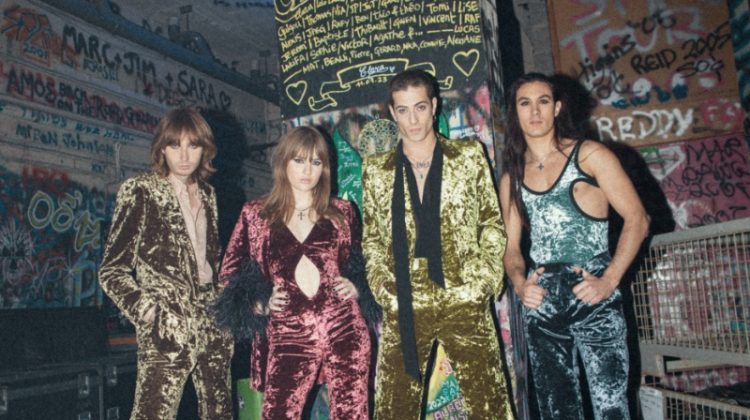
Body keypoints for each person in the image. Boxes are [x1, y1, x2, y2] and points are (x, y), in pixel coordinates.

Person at [362, 69, 512, 419]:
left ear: (433, 106)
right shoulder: (377, 170)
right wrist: (384, 289)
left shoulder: (469, 156)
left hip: (464, 295)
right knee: (394, 410)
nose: (412, 120)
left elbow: (491, 223)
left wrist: (483, 282)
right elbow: (372, 239)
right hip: (404, 300)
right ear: (393, 112)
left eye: (419, 107)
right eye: (403, 110)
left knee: (490, 406)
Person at [499, 72, 649, 419]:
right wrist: (520, 285)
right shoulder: (512, 177)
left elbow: (638, 219)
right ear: (515, 112)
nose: (535, 111)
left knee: (611, 407)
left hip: (593, 293)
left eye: (543, 101)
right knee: (557, 410)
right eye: (525, 103)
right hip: (543, 302)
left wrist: (609, 279)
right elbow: (511, 249)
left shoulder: (590, 155)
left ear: (557, 108)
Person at [215, 126, 379, 419]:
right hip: (289, 332)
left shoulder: (342, 212)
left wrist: (358, 286)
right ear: (283, 162)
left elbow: (365, 263)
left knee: (352, 413)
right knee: (278, 413)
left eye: (316, 162)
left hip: (345, 327)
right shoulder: (257, 214)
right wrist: (259, 302)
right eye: (299, 160)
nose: (307, 170)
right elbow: (229, 275)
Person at [99, 108, 233, 419]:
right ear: (162, 148)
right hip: (167, 323)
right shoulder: (141, 190)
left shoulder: (209, 195)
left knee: (220, 413)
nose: (184, 155)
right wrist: (147, 311)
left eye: (193, 145)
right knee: (152, 414)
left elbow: (212, 263)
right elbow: (111, 270)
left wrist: (226, 306)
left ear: (205, 149)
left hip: (212, 321)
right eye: (175, 145)